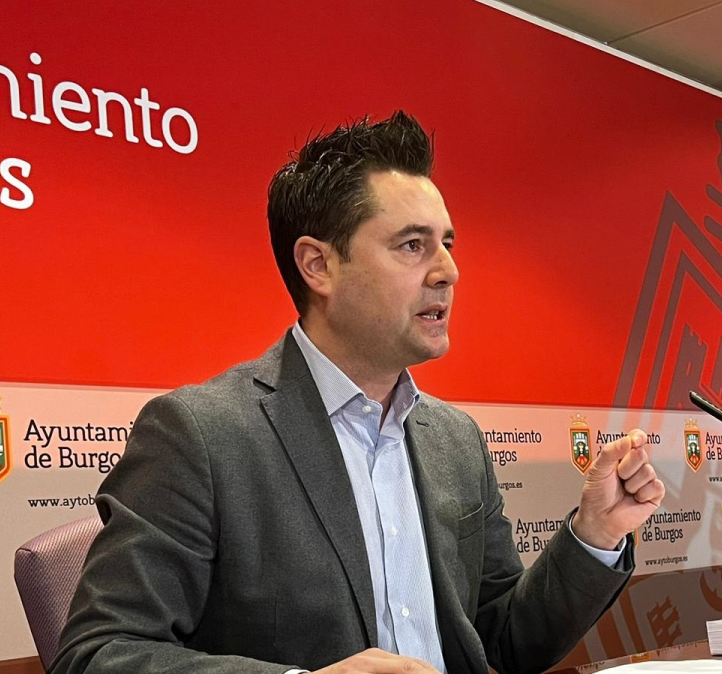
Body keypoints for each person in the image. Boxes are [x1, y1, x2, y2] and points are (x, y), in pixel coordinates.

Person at [51, 111, 665, 674]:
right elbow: (99, 652)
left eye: (447, 244)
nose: (448, 270)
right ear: (318, 266)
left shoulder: (456, 441)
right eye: (412, 245)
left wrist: (595, 535)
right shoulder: (200, 436)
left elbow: (500, 645)